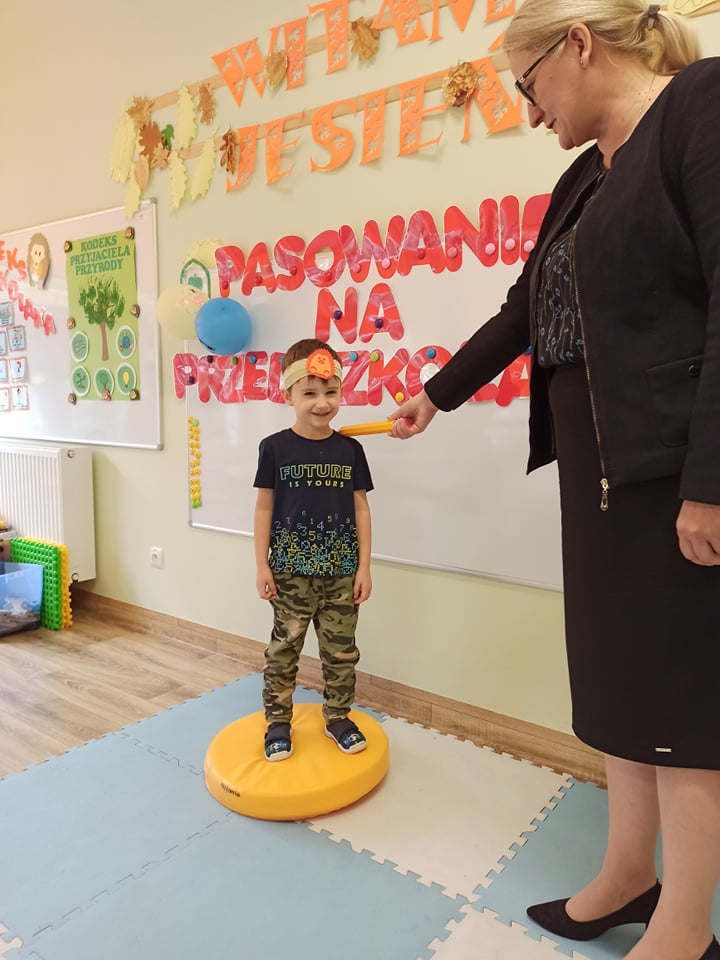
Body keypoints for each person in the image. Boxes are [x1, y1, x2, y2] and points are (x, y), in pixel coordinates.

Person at [388, 3, 720, 959]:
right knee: (619, 683)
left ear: (580, 44)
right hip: (598, 472)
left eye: (528, 86)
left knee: (683, 702)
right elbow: (524, 308)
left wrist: (711, 480)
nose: (530, 112)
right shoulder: (582, 176)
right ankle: (628, 873)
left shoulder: (700, 106)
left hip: (673, 468)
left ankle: (685, 928)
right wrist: (437, 395)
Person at [253, 338, 373, 762]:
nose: (322, 403)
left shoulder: (351, 450)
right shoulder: (274, 448)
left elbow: (361, 507)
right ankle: (277, 722)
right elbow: (264, 507)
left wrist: (364, 567)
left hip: (342, 573)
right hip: (289, 572)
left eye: (331, 391)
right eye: (309, 393)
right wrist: (262, 564)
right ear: (288, 395)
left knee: (341, 653)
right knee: (283, 651)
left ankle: (337, 717)